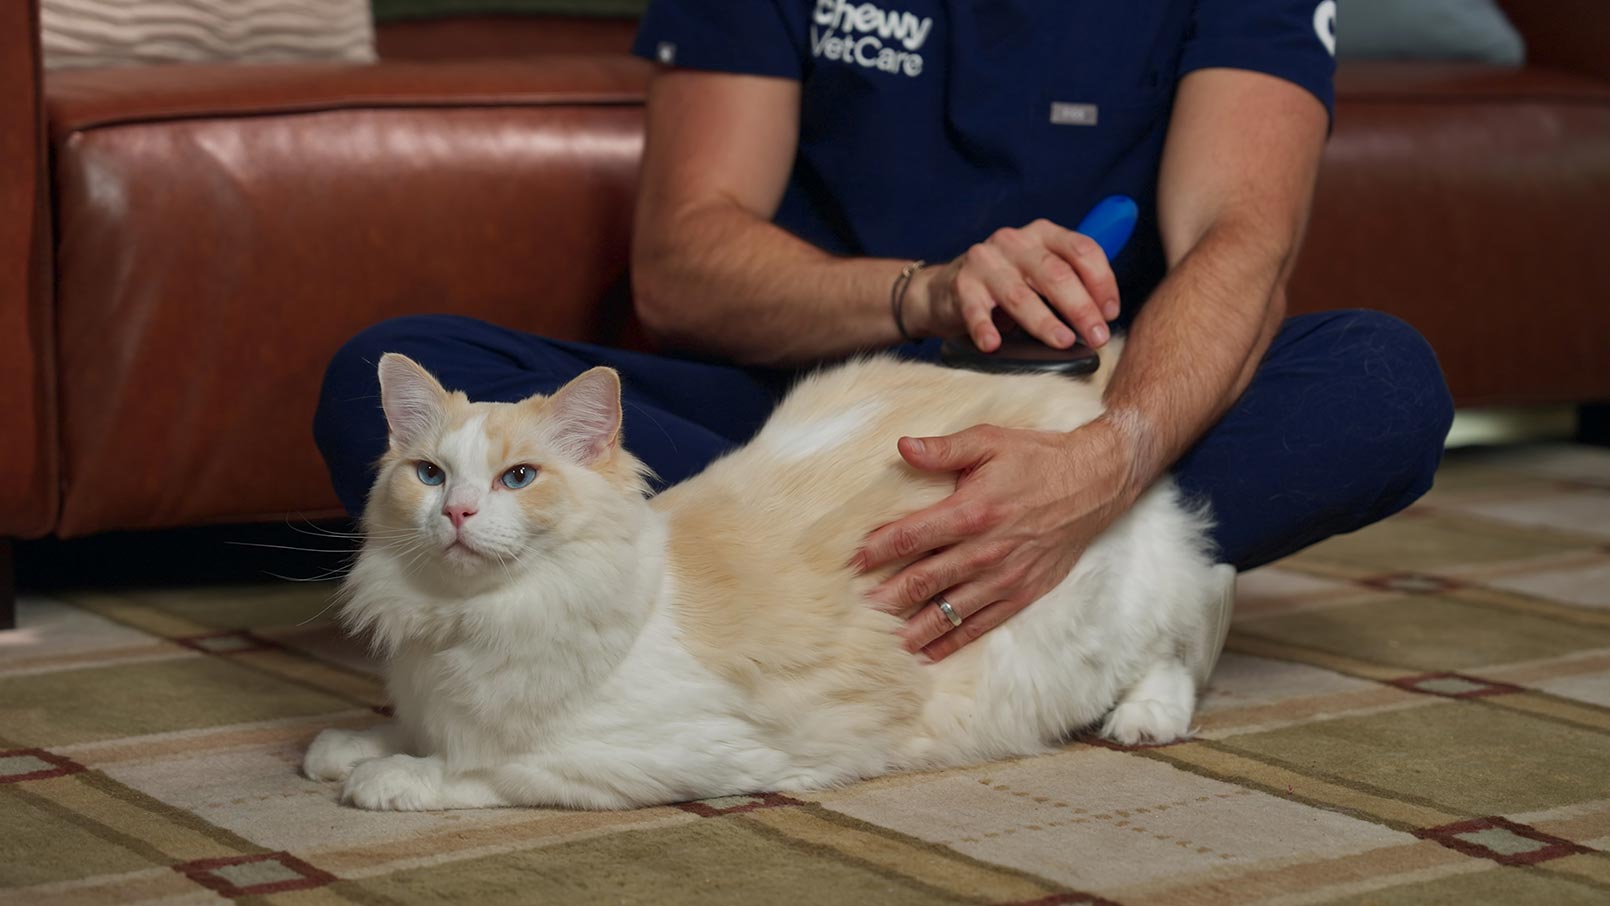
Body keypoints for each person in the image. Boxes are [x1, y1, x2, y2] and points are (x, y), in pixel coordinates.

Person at [315, 0, 1453, 664]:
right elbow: (682, 262)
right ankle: (1029, 586)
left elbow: (1239, 245)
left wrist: (1102, 467)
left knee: (1381, 383)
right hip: (784, 437)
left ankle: (980, 557)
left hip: (1073, 417)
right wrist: (924, 291)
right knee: (388, 370)